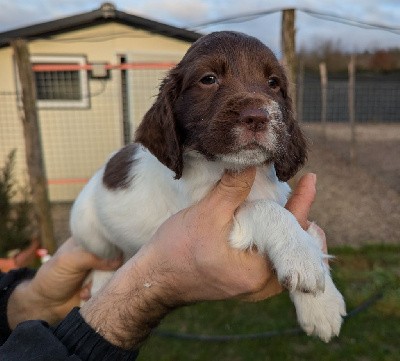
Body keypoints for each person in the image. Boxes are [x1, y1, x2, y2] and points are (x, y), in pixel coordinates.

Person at [0, 168, 325, 360]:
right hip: (96, 225)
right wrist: (146, 288)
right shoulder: (181, 170)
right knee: (96, 243)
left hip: (78, 272)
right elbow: (230, 230)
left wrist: (34, 301)